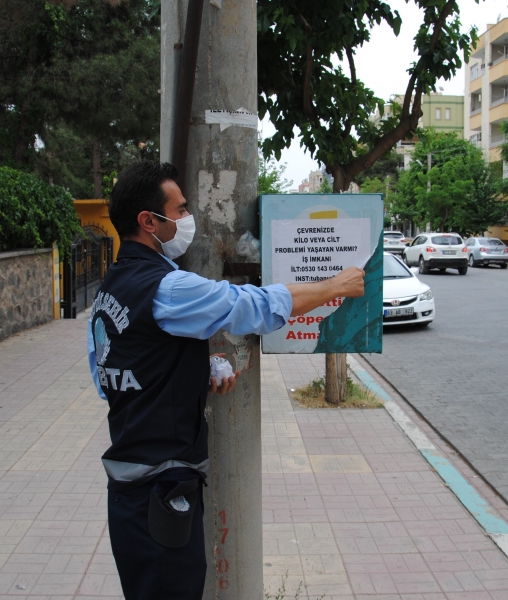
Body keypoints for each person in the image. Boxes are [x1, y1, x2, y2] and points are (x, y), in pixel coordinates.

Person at [87, 161, 366, 600]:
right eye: (179, 210)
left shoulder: (110, 289)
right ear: (148, 221)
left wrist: (191, 371)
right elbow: (254, 306)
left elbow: (112, 375)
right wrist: (335, 285)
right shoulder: (168, 288)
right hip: (161, 491)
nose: (187, 219)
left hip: (127, 492)